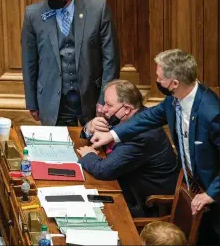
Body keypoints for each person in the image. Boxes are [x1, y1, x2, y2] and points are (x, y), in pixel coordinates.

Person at [90, 49, 220, 245]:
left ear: (174, 83)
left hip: (213, 194)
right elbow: (147, 118)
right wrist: (112, 135)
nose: (157, 81)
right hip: (193, 187)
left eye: (159, 78)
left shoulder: (211, 112)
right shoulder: (175, 99)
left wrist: (212, 192)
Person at [21, 0, 119, 126]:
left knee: (93, 147)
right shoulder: (33, 14)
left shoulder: (97, 9)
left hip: (91, 97)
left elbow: (111, 60)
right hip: (54, 100)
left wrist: (105, 100)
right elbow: (29, 61)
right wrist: (32, 102)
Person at [77, 80, 179, 217]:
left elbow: (103, 170)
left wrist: (89, 154)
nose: (103, 109)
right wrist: (89, 127)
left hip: (142, 202)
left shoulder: (142, 135)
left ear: (126, 108)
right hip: (123, 182)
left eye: (109, 105)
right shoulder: (123, 116)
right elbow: (98, 137)